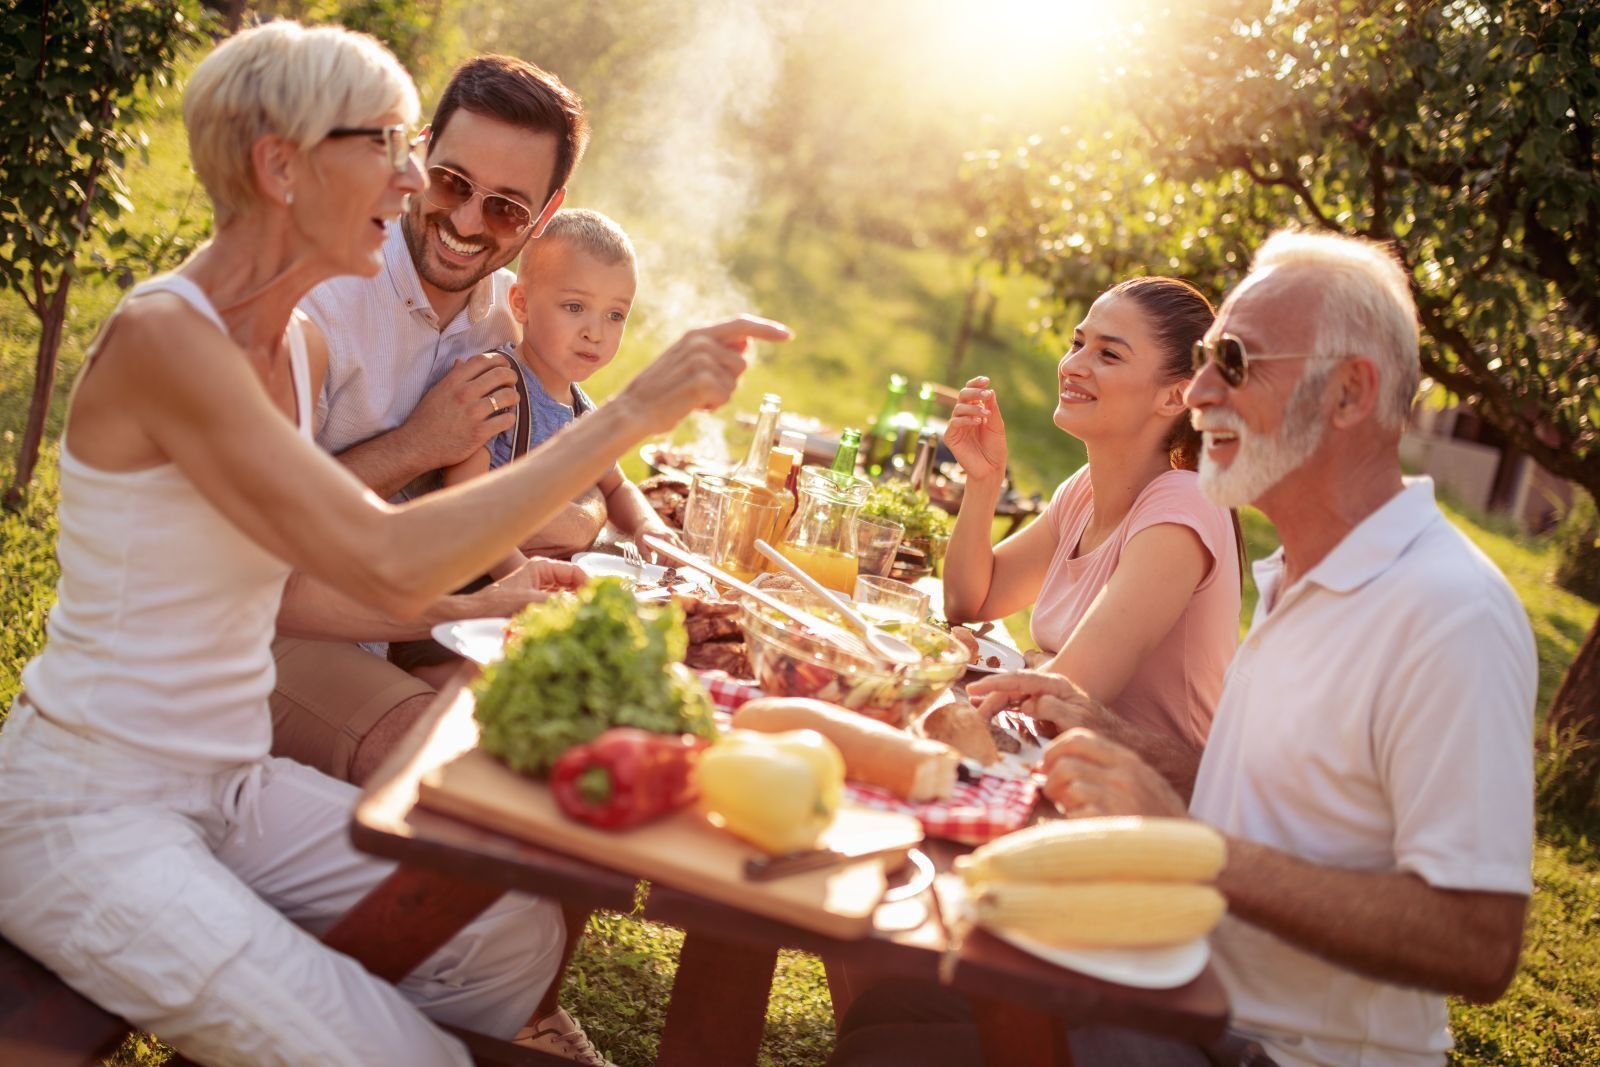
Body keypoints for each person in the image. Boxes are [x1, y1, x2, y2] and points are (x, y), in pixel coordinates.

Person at [0, 22, 787, 1067]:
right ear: (282, 167)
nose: (416, 180)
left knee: (510, 935)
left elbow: (278, 583)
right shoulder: (170, 341)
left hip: (226, 780)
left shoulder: (269, 340)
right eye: (389, 145)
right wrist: (632, 409)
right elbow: (378, 554)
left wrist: (478, 603)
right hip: (92, 807)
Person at [837, 231, 1535, 1067]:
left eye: (1233, 363)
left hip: (1272, 1047)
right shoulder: (1301, 578)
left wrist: (1188, 839)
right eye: (1203, 361)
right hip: (1173, 978)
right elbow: (1273, 805)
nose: (1199, 393)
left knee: (894, 1047)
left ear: (1350, 392)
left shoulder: (1449, 612)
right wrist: (1144, 752)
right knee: (885, 987)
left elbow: (1478, 940)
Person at [942, 277, 1242, 758]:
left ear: (1174, 398)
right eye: (1078, 343)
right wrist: (985, 480)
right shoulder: (1083, 491)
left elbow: (1059, 699)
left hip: (1143, 801)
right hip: (1059, 760)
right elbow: (969, 601)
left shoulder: (1185, 508)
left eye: (1109, 355)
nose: (1072, 366)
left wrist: (1043, 665)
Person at [387, 208, 681, 687]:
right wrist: (525, 578)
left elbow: (617, 483)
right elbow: (468, 509)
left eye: (615, 315)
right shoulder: (496, 386)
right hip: (460, 604)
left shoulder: (584, 411)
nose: (596, 331)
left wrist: (649, 527)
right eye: (574, 307)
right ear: (520, 304)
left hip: (533, 598)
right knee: (489, 689)